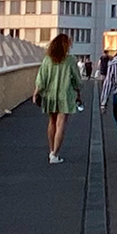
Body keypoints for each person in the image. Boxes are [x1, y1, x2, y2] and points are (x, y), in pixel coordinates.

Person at [34, 31, 80, 163]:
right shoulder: (70, 60)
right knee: (61, 124)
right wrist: (78, 90)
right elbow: (77, 80)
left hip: (50, 94)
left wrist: (36, 92)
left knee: (52, 122)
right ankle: (55, 153)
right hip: (65, 95)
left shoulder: (48, 60)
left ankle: (51, 151)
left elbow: (41, 78)